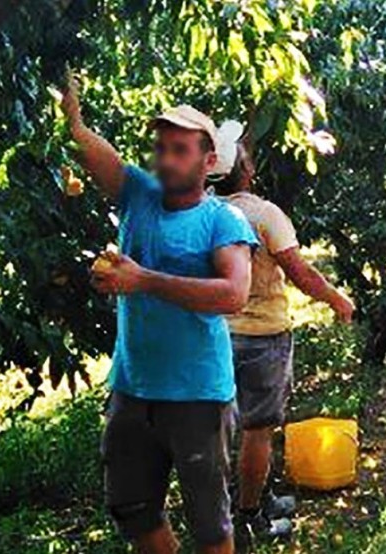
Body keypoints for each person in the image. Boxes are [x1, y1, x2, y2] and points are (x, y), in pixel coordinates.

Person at [60, 78, 258, 554]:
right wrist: (69, 105)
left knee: (210, 525)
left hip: (196, 395)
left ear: (208, 162)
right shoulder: (138, 195)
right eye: (162, 147)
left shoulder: (223, 220)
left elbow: (234, 294)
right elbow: (83, 143)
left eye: (181, 149)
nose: (167, 158)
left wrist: (143, 280)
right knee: (133, 509)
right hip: (131, 389)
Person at [208, 124, 354, 549]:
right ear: (246, 172)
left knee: (220, 431)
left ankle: (252, 499)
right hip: (262, 336)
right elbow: (301, 273)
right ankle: (249, 517)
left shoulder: (202, 214)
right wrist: (337, 300)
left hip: (216, 336)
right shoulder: (264, 214)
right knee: (258, 430)